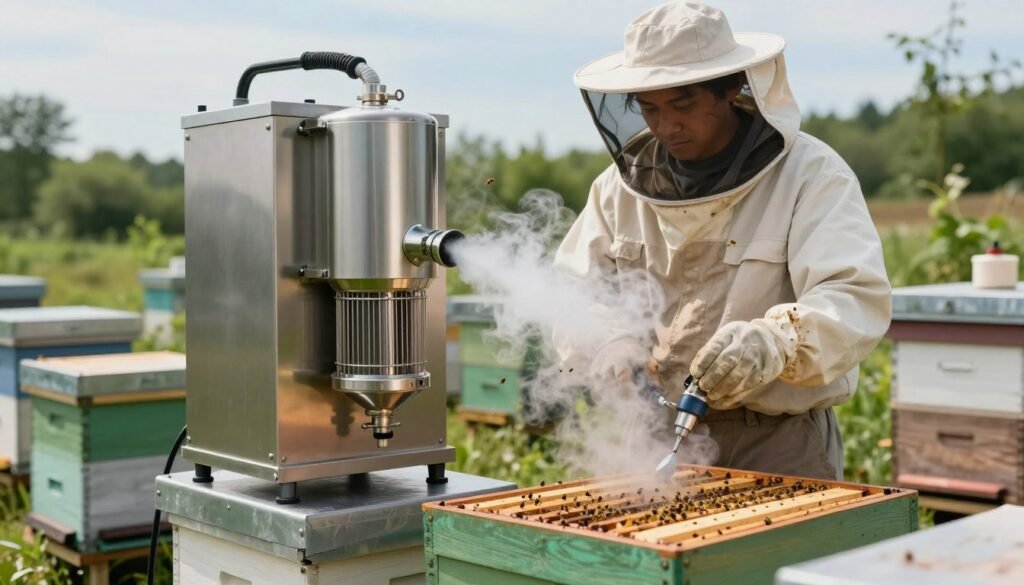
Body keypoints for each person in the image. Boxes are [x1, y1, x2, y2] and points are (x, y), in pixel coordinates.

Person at [554, 1, 891, 480]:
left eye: (683, 104)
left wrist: (777, 341)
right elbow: (572, 292)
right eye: (649, 108)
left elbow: (854, 297)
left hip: (774, 438)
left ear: (732, 87)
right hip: (651, 433)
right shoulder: (615, 190)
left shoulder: (811, 176)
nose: (666, 126)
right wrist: (609, 340)